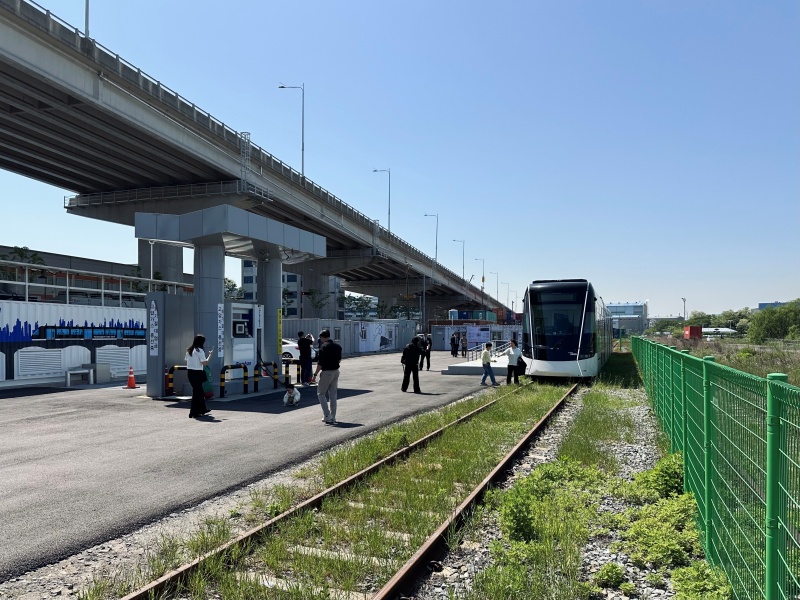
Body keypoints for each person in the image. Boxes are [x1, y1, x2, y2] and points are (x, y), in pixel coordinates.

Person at [313, 329, 342, 424]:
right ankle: (333, 416)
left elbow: (320, 363)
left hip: (327, 372)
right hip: (336, 371)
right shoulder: (338, 346)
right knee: (333, 395)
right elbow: (338, 360)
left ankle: (327, 415)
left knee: (321, 394)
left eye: (320, 338)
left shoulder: (323, 347)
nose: (320, 339)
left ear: (323, 337)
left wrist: (315, 375)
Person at [185, 334, 213, 418]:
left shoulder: (189, 350)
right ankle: (193, 412)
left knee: (199, 392)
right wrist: (210, 355)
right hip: (197, 373)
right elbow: (205, 363)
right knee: (197, 393)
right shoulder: (199, 351)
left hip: (190, 373)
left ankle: (202, 409)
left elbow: (187, 360)